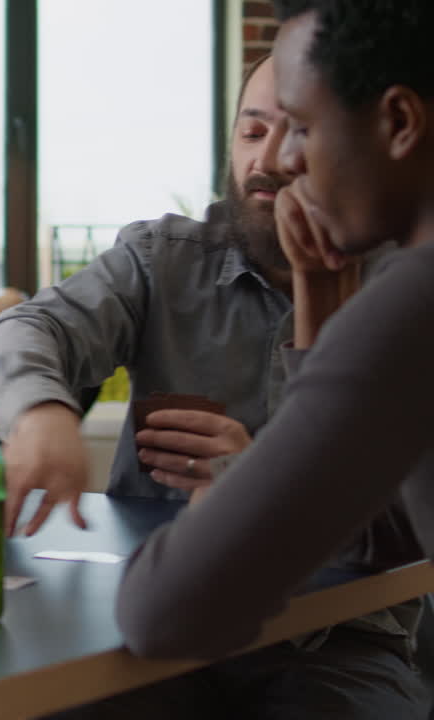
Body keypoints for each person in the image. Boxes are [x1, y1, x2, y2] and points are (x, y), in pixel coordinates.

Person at [0, 51, 426, 718]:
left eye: (300, 130)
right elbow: (32, 328)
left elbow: (403, 534)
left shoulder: (403, 292)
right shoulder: (164, 258)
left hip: (340, 642)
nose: (270, 160)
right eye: (252, 132)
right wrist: (41, 411)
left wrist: (259, 478)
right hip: (149, 625)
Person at [114, 0, 434, 713]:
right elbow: (378, 532)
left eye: (304, 128)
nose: (284, 162)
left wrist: (229, 482)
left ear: (400, 123)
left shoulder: (412, 305)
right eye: (260, 129)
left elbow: (166, 612)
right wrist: (320, 296)